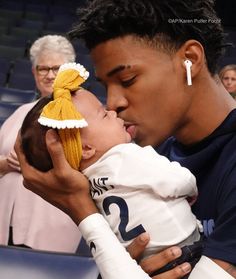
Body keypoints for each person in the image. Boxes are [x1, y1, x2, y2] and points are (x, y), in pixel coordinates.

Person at [15, 0, 236, 278]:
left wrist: (80, 207)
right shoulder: (139, 154)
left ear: (189, 60)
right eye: (106, 86)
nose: (112, 103)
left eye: (128, 79)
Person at [20, 63, 202, 268]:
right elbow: (177, 180)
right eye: (105, 114)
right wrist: (192, 189)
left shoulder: (86, 181)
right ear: (86, 149)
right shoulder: (126, 155)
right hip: (184, 248)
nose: (114, 113)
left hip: (143, 262)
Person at [0, 35, 82, 252]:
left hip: (52, 224)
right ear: (34, 73)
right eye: (42, 69)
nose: (50, 75)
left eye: (57, 68)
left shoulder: (82, 112)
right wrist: (7, 164)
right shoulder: (20, 112)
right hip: (4, 222)